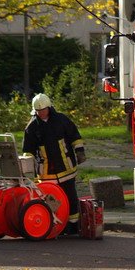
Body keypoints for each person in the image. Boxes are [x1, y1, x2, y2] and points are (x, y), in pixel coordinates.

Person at [23, 93, 86, 235]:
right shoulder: (32, 127)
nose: (41, 113)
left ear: (49, 108)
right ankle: (57, 225)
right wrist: (27, 170)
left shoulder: (61, 120)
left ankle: (73, 225)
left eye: (43, 110)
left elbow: (75, 136)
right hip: (47, 173)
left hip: (66, 168)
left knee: (71, 197)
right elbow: (28, 151)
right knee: (51, 199)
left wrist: (80, 151)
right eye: (38, 111)